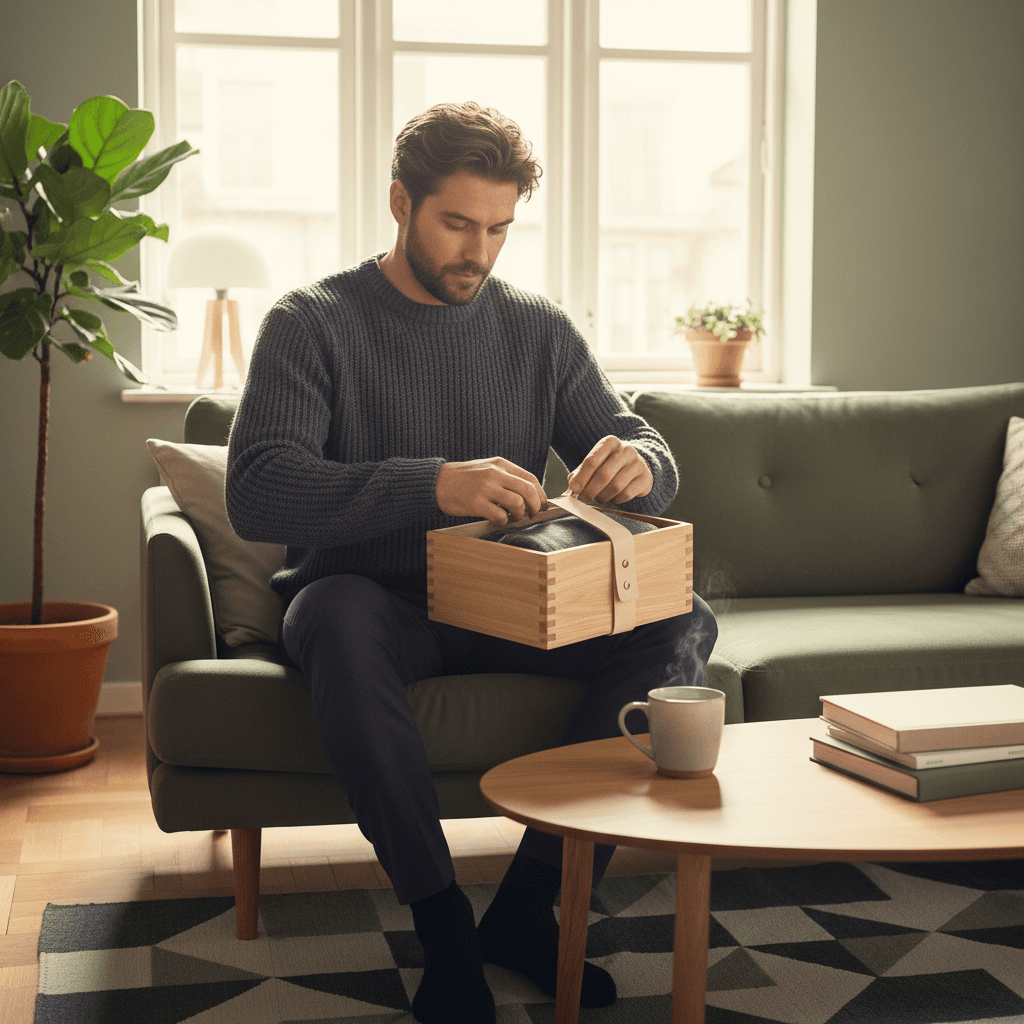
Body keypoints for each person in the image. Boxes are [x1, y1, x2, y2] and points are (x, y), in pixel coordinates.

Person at [226, 101, 717, 1024]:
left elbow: (644, 440)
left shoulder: (538, 329)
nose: (478, 252)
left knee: (684, 619)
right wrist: (431, 484)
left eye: (498, 228)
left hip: (512, 604)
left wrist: (638, 461)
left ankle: (531, 904)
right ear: (399, 203)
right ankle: (443, 922)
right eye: (457, 223)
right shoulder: (311, 322)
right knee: (332, 614)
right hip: (370, 602)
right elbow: (258, 489)